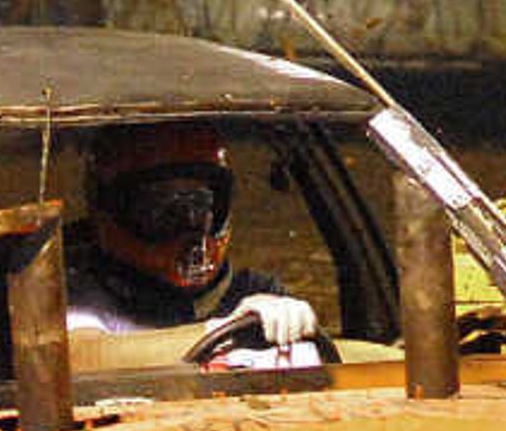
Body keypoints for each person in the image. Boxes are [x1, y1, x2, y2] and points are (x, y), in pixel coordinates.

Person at [62, 125, 321, 371]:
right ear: (113, 210)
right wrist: (222, 331)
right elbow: (79, 358)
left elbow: (347, 361)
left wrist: (296, 326)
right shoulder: (82, 294)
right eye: (161, 207)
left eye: (200, 202)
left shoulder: (256, 294)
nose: (188, 221)